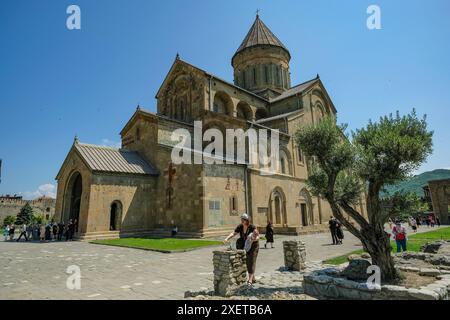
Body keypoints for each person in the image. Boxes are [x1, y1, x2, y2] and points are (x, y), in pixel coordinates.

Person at [224, 213, 260, 286]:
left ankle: (250, 280)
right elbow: (234, 233)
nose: (242, 221)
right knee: (247, 261)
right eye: (241, 219)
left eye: (243, 220)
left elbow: (258, 236)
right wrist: (227, 238)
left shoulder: (252, 227)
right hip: (246, 246)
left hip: (254, 246)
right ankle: (252, 277)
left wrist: (253, 239)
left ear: (247, 220)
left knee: (251, 260)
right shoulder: (240, 226)